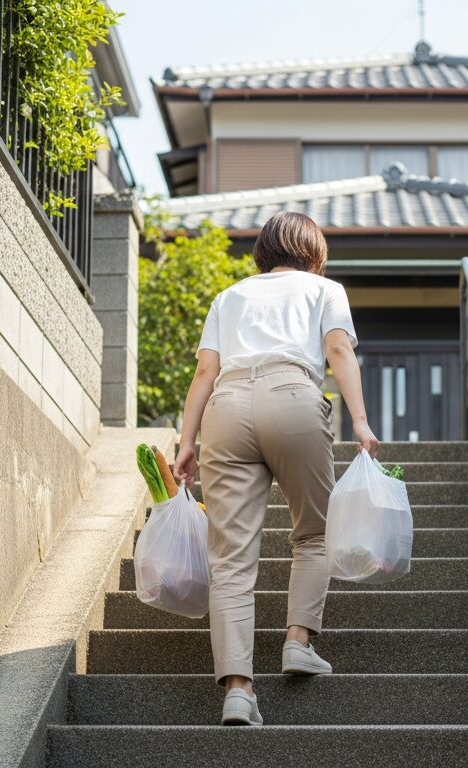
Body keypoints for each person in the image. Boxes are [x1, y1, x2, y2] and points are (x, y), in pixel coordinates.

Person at [172, 211, 378, 726]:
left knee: (231, 558)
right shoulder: (323, 289)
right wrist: (360, 421)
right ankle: (297, 642)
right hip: (292, 396)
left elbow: (205, 371)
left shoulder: (230, 296)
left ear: (262, 251)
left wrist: (186, 441)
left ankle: (238, 690)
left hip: (227, 407)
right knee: (314, 534)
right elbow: (336, 350)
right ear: (314, 252)